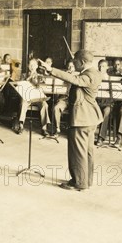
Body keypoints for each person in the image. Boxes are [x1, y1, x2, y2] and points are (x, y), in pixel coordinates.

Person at [39, 50, 104, 191]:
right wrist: (75, 74)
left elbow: (77, 80)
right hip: (91, 118)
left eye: (75, 61)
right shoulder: (94, 72)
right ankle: (87, 180)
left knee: (77, 152)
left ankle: (78, 183)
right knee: (87, 152)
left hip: (82, 118)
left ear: (82, 62)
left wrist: (51, 69)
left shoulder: (87, 76)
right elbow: (78, 78)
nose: (73, 63)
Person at [14, 58, 50, 135]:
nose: (32, 66)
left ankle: (44, 128)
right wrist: (29, 78)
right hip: (27, 97)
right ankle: (21, 125)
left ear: (37, 66)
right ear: (28, 66)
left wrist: (38, 82)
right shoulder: (23, 75)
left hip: (37, 97)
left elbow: (44, 87)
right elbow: (20, 85)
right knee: (23, 103)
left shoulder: (40, 75)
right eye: (30, 65)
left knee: (45, 105)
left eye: (33, 65)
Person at [95, 59, 113, 146]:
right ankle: (88, 135)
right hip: (96, 101)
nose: (100, 68)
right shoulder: (94, 77)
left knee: (106, 112)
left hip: (107, 103)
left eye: (103, 66)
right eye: (99, 66)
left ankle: (101, 137)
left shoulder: (110, 78)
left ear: (107, 68)